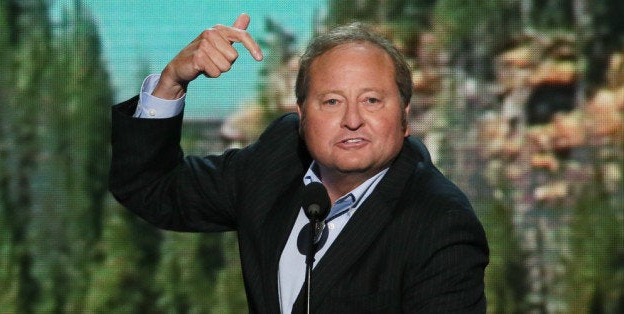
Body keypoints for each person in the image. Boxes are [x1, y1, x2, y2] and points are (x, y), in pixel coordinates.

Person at [109, 13, 489, 313]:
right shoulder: (279, 159)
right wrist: (172, 81)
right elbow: (151, 187)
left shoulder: (441, 223)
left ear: (405, 117)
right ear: (302, 115)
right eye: (332, 102)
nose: (352, 119)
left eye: (372, 100)